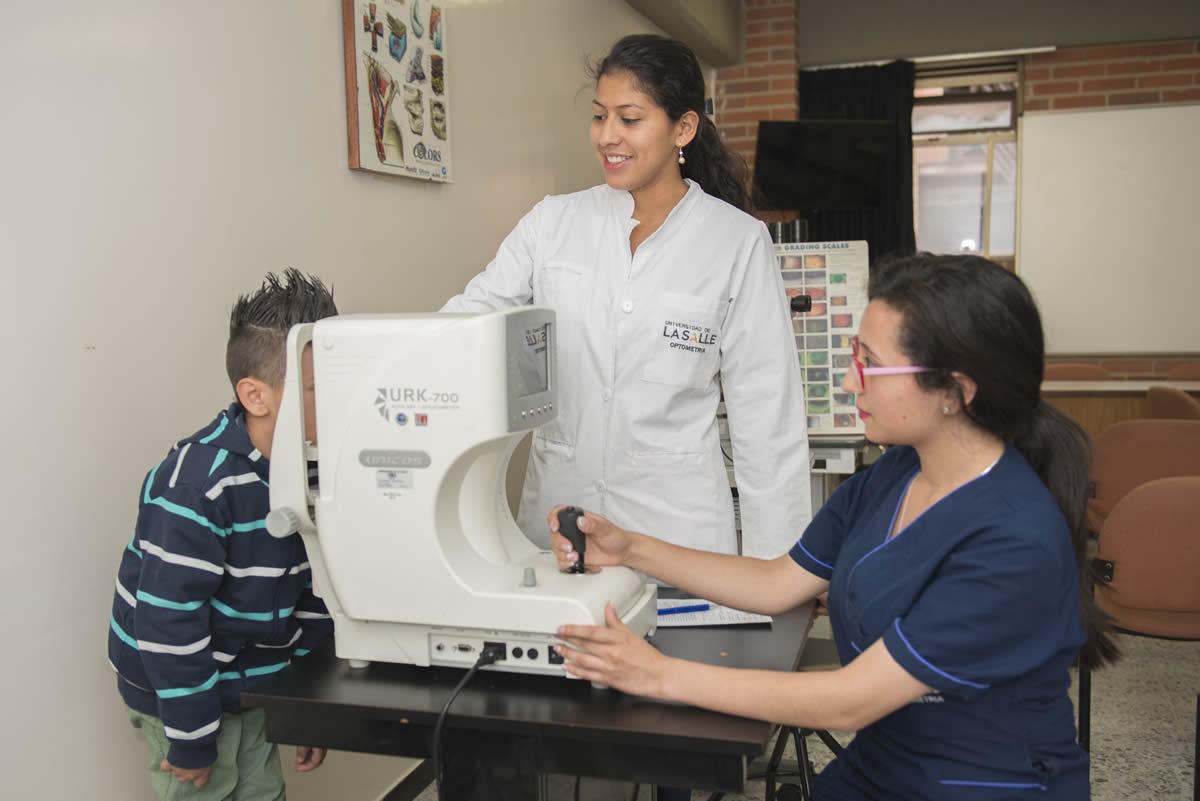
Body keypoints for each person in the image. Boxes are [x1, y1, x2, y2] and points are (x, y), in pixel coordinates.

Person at [551, 254, 1120, 800]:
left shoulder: (1012, 539)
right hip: (882, 766)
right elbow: (777, 583)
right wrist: (629, 547)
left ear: (956, 390)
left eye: (870, 364)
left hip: (980, 785)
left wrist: (657, 675)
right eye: (855, 354)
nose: (851, 382)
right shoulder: (897, 471)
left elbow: (850, 701)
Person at [441, 34, 810, 561]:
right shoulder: (553, 223)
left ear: (683, 127)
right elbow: (464, 326)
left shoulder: (736, 242)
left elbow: (767, 417)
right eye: (599, 116)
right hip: (558, 527)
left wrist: (780, 574)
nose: (607, 136)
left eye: (629, 119)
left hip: (679, 539)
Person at [108, 269, 338, 801]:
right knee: (208, 787)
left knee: (260, 789)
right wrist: (190, 738)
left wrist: (306, 709)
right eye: (316, 389)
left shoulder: (318, 472)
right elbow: (168, 622)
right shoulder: (198, 485)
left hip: (253, 679)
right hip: (178, 690)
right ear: (255, 396)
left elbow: (314, 589)